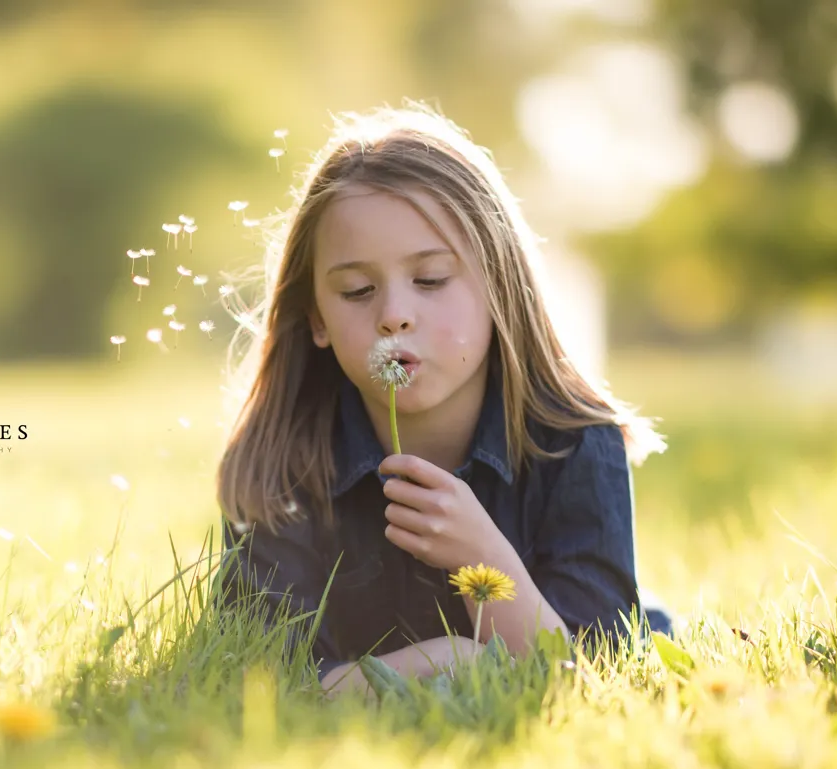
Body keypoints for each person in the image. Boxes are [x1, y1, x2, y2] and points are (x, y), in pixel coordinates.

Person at [212, 101, 673, 698]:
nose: (395, 316)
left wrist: (485, 558)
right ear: (316, 317)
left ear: (499, 286)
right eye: (357, 291)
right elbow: (263, 682)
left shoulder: (577, 443)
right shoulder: (279, 465)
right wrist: (447, 659)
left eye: (430, 280)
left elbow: (589, 676)